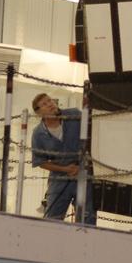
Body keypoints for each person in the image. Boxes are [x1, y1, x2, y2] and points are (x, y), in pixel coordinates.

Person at [30, 93, 96, 225]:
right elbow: (40, 162)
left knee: (86, 218)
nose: (49, 104)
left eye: (50, 100)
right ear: (39, 113)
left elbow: (93, 130)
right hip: (59, 178)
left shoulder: (74, 115)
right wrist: (65, 169)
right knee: (52, 219)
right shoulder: (38, 134)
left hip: (83, 173)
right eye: (44, 104)